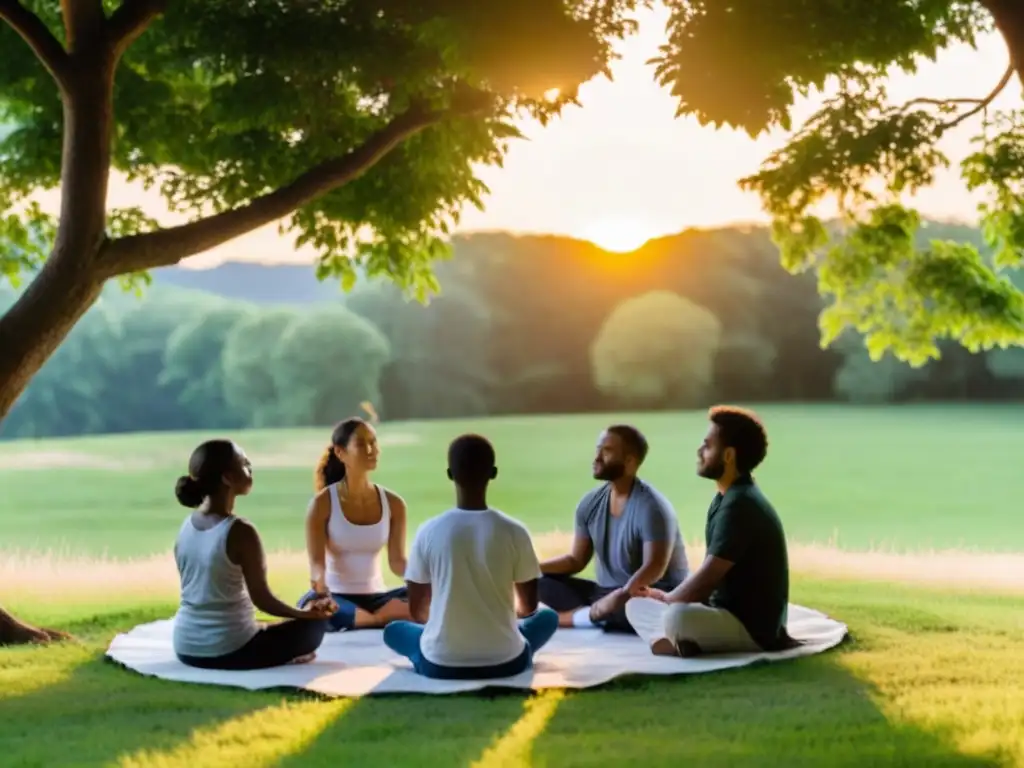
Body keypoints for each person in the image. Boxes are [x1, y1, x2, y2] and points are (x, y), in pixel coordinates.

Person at [383, 434, 558, 680]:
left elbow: (418, 611)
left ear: (450, 474)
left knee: (394, 631)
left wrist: (445, 624)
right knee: (548, 616)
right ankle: (501, 638)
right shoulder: (515, 531)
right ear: (493, 473)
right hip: (506, 662)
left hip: (441, 663)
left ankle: (446, 644)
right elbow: (528, 607)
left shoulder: (428, 531)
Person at [626, 406, 795, 657]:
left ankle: (677, 641)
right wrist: (664, 597)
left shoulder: (740, 504)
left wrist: (669, 599)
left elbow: (706, 581)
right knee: (637, 605)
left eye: (707, 445)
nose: (699, 451)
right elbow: (708, 580)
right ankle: (679, 642)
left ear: (728, 456)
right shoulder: (726, 498)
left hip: (752, 629)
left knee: (677, 616)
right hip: (721, 613)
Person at [172, 439, 335, 670]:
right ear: (227, 478)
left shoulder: (186, 526)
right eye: (244, 463)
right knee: (317, 623)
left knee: (303, 611)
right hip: (228, 649)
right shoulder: (240, 531)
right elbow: (263, 600)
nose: (250, 467)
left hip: (186, 646)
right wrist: (306, 617)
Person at [538, 424, 688, 633]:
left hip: (648, 595)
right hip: (604, 593)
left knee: (634, 609)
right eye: (598, 449)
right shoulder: (589, 503)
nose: (597, 457)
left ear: (630, 461)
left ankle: (581, 618)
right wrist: (529, 568)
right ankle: (593, 615)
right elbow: (576, 560)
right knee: (537, 582)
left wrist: (621, 596)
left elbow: (654, 568)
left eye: (607, 451)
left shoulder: (652, 507)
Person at [297, 417, 412, 631]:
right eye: (361, 444)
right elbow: (317, 564)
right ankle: (380, 619)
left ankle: (370, 618)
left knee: (430, 600)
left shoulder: (394, 504)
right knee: (315, 606)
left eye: (374, 442)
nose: (371, 449)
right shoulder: (322, 504)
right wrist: (321, 590)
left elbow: (397, 561)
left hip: (379, 597)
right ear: (340, 453)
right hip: (337, 596)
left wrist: (424, 582)